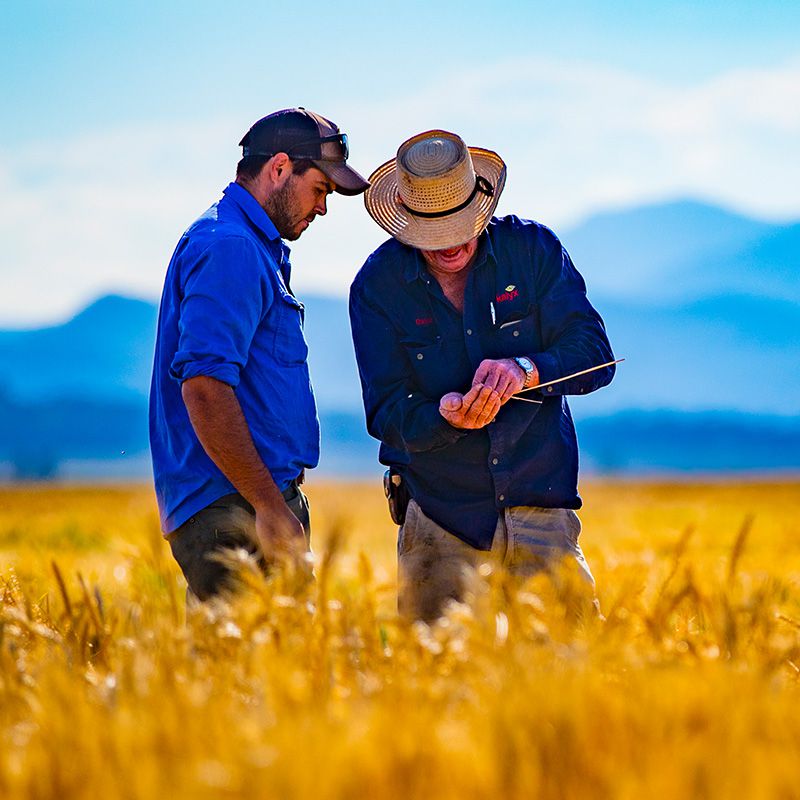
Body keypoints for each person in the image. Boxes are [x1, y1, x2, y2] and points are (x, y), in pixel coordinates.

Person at [349, 130, 615, 621]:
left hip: (542, 510)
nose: (450, 243)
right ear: (406, 223)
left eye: (460, 227)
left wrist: (525, 370)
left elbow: (595, 354)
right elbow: (387, 412)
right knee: (436, 684)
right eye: (433, 233)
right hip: (439, 520)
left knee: (578, 678)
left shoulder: (533, 251)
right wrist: (445, 417)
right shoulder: (377, 287)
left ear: (482, 207)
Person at [150, 108, 369, 600]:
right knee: (250, 671)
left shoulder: (245, 242)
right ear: (279, 169)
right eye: (320, 189)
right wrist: (270, 507)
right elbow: (205, 389)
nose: (323, 208)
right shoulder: (231, 247)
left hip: (245, 502)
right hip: (236, 509)